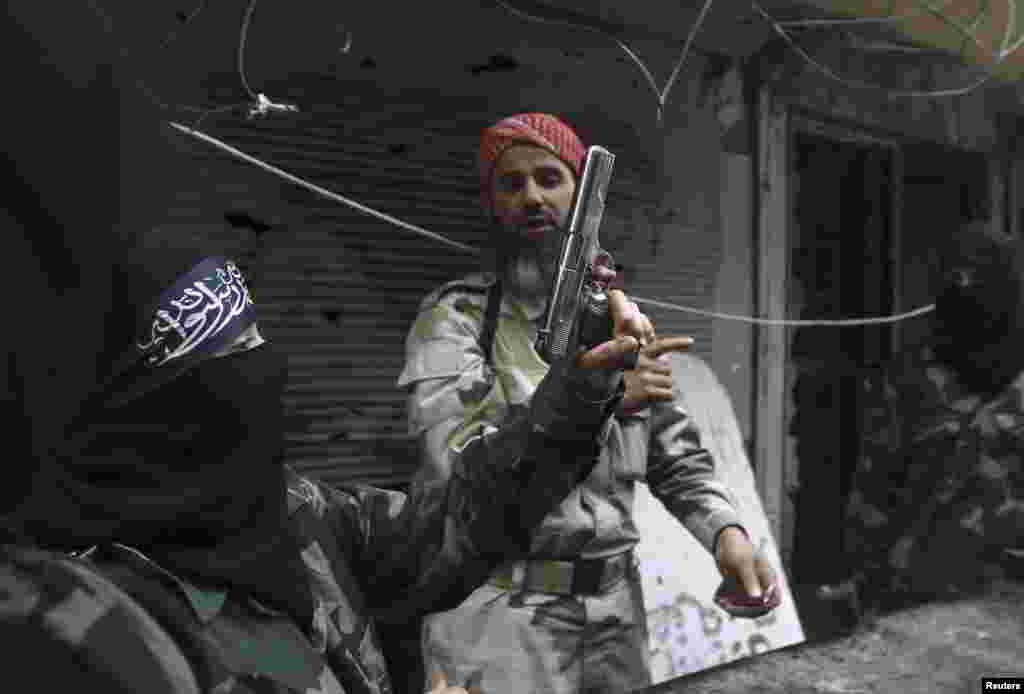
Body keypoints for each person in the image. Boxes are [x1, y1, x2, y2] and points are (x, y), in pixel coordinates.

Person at [0, 7, 655, 692]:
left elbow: (460, 520)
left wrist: (579, 395)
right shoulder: (75, 635)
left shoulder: (291, 516)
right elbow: (451, 461)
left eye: (251, 337)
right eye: (212, 356)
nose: (261, 373)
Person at [399, 113, 777, 694]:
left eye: (550, 178)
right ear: (491, 204)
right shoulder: (457, 318)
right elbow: (462, 474)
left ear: (581, 197)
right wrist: (594, 398)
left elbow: (673, 452)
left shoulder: (616, 318)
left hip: (614, 612)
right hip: (500, 612)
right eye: (512, 183)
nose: (532, 197)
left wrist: (727, 535)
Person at [833, 222, 1024, 612]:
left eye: (977, 276)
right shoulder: (911, 378)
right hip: (918, 602)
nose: (964, 288)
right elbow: (873, 492)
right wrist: (861, 580)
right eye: (955, 277)